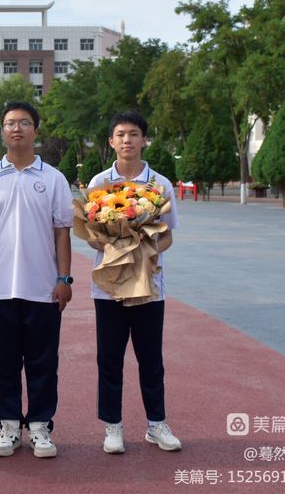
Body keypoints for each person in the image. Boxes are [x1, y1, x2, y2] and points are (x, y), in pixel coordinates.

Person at [0, 101, 73, 458]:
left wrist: (64, 278)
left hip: (43, 288)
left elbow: (62, 231)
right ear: (2, 130)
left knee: (43, 362)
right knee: (3, 362)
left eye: (24, 123)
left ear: (35, 130)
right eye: (10, 123)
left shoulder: (53, 178)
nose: (17, 129)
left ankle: (41, 426)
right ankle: (9, 426)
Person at [87, 110, 181, 454]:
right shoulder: (99, 183)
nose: (127, 140)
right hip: (109, 286)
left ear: (144, 140)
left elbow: (168, 234)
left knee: (151, 358)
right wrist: (111, 244)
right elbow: (91, 235)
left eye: (134, 134)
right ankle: (112, 426)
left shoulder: (159, 185)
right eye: (121, 134)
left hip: (149, 286)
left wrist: (144, 248)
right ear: (111, 141)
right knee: (109, 359)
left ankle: (157, 424)